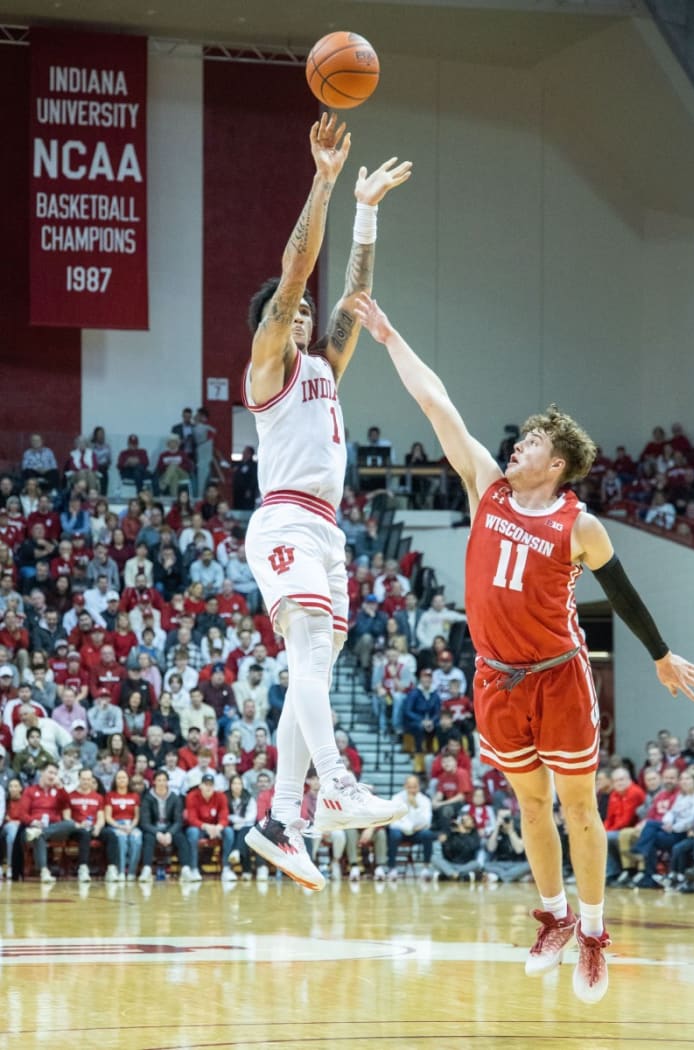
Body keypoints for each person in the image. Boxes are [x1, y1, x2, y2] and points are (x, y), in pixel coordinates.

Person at [355, 292, 694, 1004]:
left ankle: (596, 933)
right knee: (530, 807)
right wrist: (390, 337)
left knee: (579, 808)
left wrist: (661, 653)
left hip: (559, 677)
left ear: (560, 463)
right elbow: (437, 404)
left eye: (533, 444)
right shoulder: (487, 486)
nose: (518, 446)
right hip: (495, 679)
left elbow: (626, 594)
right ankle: (554, 916)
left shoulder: (582, 526)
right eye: (521, 440)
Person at [240, 113, 412, 891]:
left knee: (311, 661)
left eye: (306, 315)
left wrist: (368, 210)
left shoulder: (323, 366)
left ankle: (283, 820)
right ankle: (336, 784)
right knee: (306, 647)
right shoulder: (270, 366)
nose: (305, 315)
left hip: (328, 531)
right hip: (282, 517)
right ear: (274, 324)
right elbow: (300, 269)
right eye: (292, 311)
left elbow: (351, 296)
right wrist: (326, 180)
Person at [138, 768, 189, 883]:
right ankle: (146, 870)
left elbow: (178, 821)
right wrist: (157, 833)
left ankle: (186, 869)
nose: (161, 783)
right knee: (148, 838)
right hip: (153, 828)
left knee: (181, 838)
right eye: (159, 780)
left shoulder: (175, 798)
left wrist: (170, 833)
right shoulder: (147, 798)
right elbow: (144, 822)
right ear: (154, 782)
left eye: (164, 780)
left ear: (167, 782)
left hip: (169, 828)